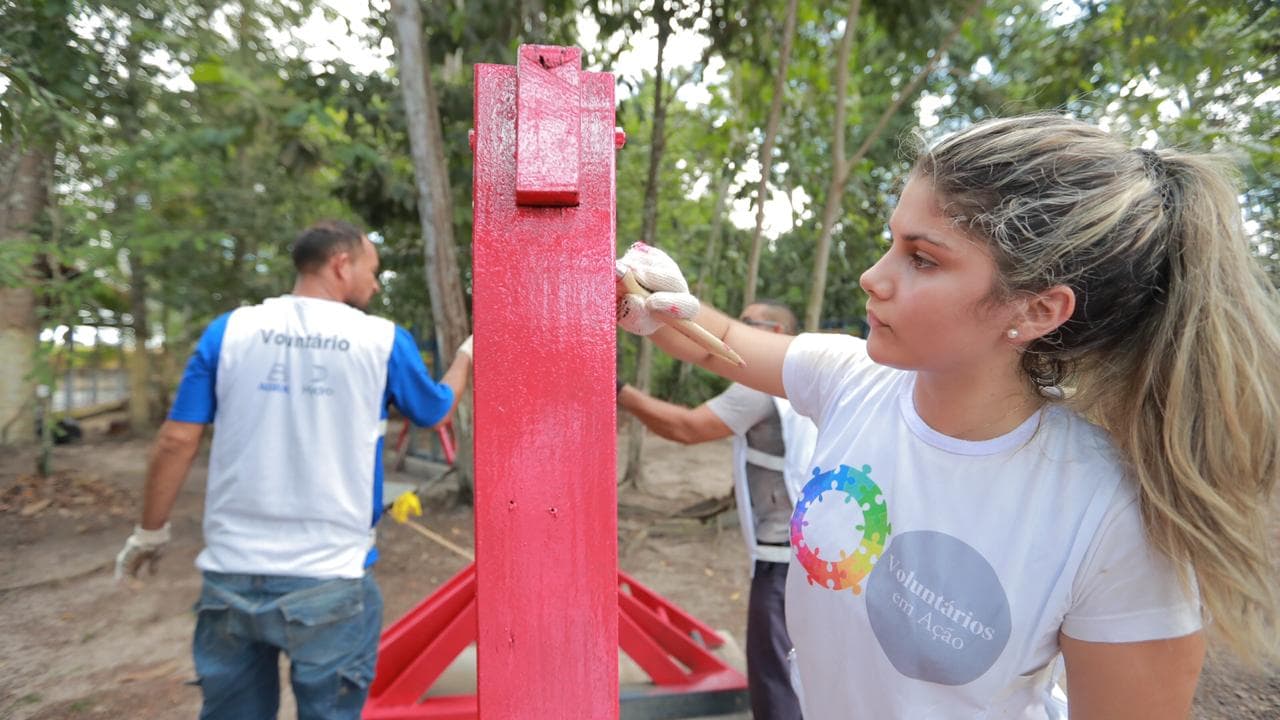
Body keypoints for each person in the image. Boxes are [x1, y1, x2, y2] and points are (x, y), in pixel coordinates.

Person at [614, 115, 1280, 718]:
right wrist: (654, 299)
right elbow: (705, 334)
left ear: (1037, 310)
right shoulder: (849, 379)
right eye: (892, 242)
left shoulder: (1115, 518)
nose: (873, 278)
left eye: (922, 258)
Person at [113, 220, 474, 720]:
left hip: (231, 576)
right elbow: (434, 412)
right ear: (340, 264)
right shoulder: (381, 340)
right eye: (372, 270)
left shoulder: (230, 331)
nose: (375, 283)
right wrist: (466, 357)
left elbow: (177, 439)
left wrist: (149, 534)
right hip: (330, 578)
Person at [617, 300, 815, 720]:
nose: (735, 330)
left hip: (780, 559)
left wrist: (618, 391)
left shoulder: (761, 387)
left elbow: (686, 427)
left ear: (774, 335)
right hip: (813, 552)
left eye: (747, 325)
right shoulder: (809, 381)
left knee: (774, 676)